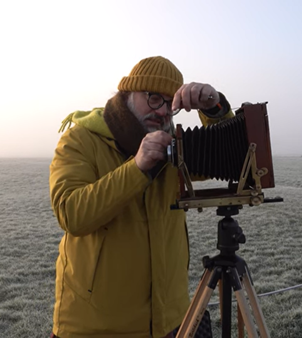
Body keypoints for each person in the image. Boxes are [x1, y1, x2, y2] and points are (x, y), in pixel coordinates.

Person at [49, 56, 232, 338]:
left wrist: (215, 107)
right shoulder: (80, 139)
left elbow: (229, 159)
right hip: (97, 327)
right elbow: (71, 214)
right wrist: (137, 168)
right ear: (128, 94)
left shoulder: (174, 148)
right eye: (154, 98)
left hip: (172, 320)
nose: (162, 113)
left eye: (171, 105)